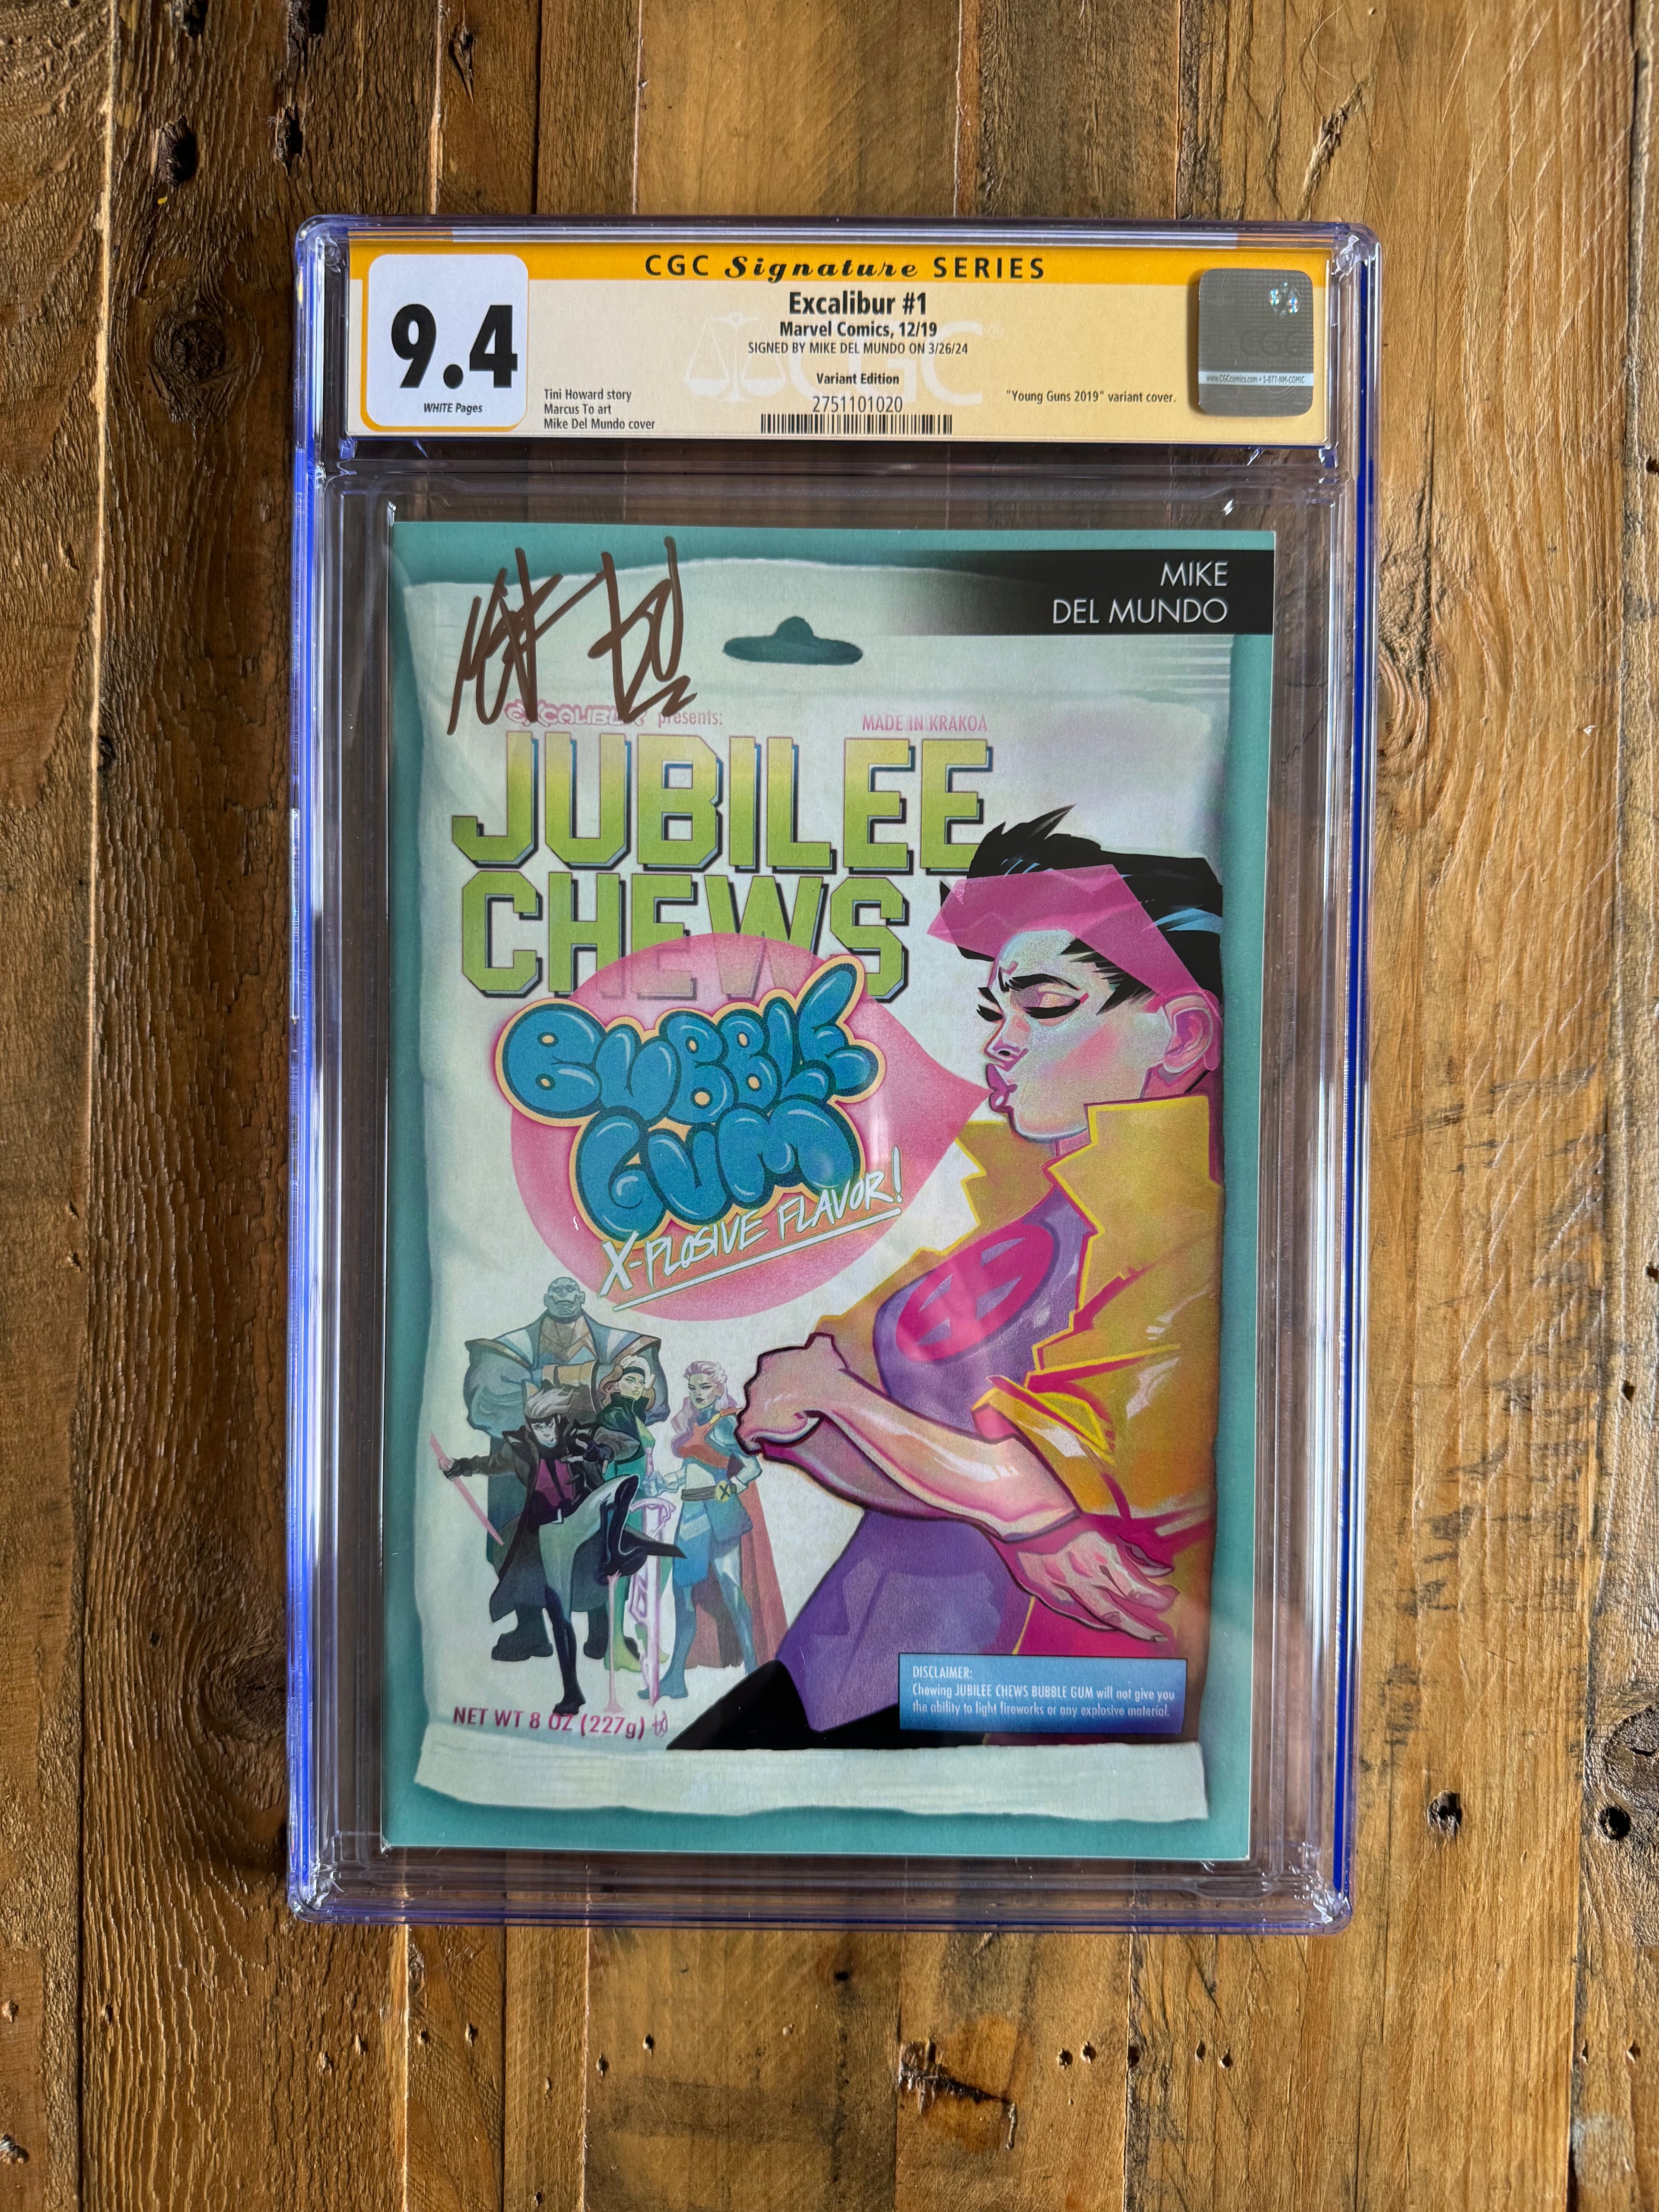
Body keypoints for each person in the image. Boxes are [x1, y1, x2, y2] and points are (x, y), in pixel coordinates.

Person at [675, 809, 1224, 1749]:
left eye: (1045, 1006)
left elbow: (1090, 1491)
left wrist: (862, 1413)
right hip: (831, 1673)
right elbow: (793, 1401)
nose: (1000, 1043)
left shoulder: (1194, 1240)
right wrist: (1009, 1503)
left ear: (1180, 1035)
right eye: (996, 1010)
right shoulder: (1029, 1209)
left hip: (1007, 1711)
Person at [435, 1384, 680, 1708]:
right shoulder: (521, 1448)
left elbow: (627, 1444)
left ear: (557, 1420)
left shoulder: (578, 1436)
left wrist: (602, 1450)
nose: (546, 1432)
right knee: (557, 1610)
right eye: (539, 1427)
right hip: (547, 1533)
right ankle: (571, 1691)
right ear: (530, 1427)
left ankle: (615, 1560)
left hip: (583, 1517)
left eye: (549, 1424)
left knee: (624, 1487)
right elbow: (492, 1464)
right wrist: (462, 1466)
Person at [459, 1280, 666, 1661]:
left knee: (597, 1552)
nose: (565, 1301)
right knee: (518, 1552)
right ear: (546, 1299)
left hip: (584, 1487)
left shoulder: (617, 1346)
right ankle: (531, 1632)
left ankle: (604, 1633)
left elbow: (646, 1402)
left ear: (582, 1299)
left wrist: (548, 1386)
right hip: (532, 1498)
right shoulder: (515, 1347)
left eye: (572, 1295)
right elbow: (489, 1391)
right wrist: (464, 1466)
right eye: (557, 1295)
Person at [648, 1362, 786, 1699]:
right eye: (693, 1388)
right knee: (683, 1596)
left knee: (732, 1592)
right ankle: (675, 1680)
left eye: (705, 1387)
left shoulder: (726, 1424)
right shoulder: (693, 1423)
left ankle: (753, 1674)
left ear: (718, 1389)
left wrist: (733, 1487)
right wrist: (666, 1483)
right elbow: (692, 1469)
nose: (698, 1394)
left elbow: (752, 1468)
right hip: (691, 1515)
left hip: (720, 1514)